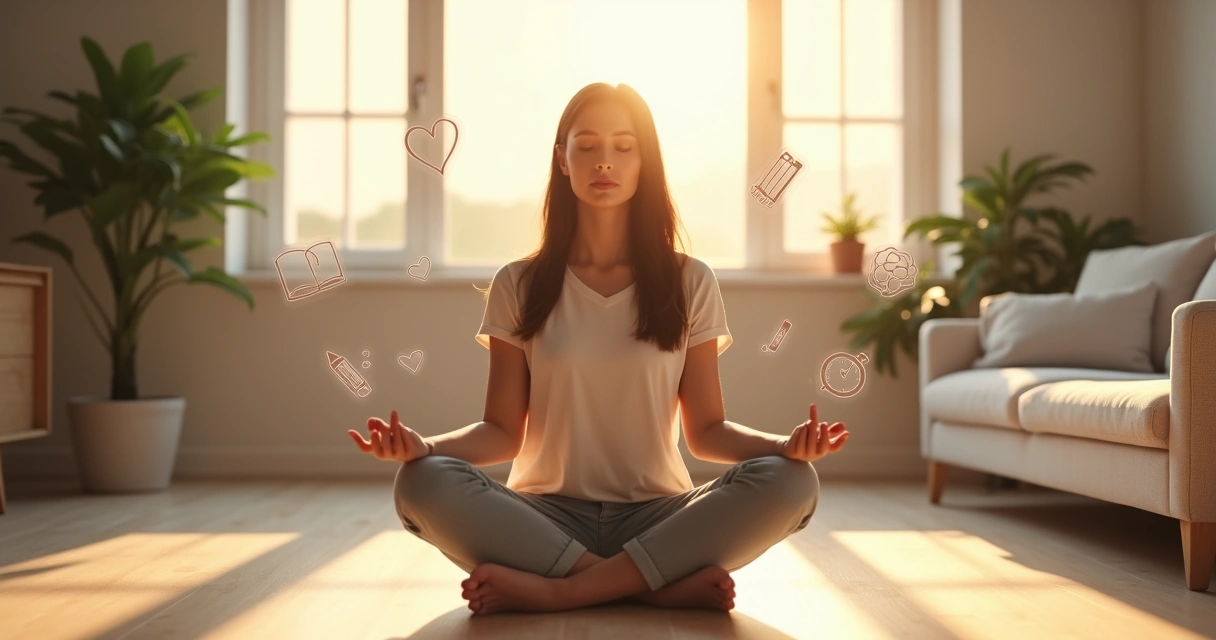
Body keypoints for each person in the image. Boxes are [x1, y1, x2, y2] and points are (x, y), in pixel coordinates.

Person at [348, 82, 849, 616]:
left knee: (792, 481)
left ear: (643, 163)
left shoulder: (691, 281)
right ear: (562, 160)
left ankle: (562, 588)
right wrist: (422, 447)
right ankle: (650, 585)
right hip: (543, 517)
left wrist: (786, 445)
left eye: (623, 147)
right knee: (421, 482)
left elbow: (705, 434)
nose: (603, 161)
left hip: (660, 515)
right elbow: (500, 433)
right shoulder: (517, 283)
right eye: (585, 145)